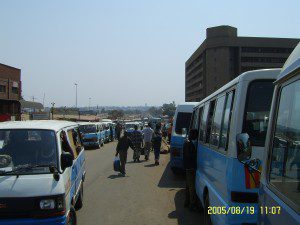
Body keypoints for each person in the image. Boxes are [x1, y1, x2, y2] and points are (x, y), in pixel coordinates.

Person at [182, 129, 198, 211]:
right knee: (192, 187)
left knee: (188, 185)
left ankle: (187, 202)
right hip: (190, 167)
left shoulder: (187, 141)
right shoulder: (189, 143)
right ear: (192, 134)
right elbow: (188, 155)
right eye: (195, 135)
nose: (196, 137)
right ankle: (192, 204)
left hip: (187, 166)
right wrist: (196, 154)